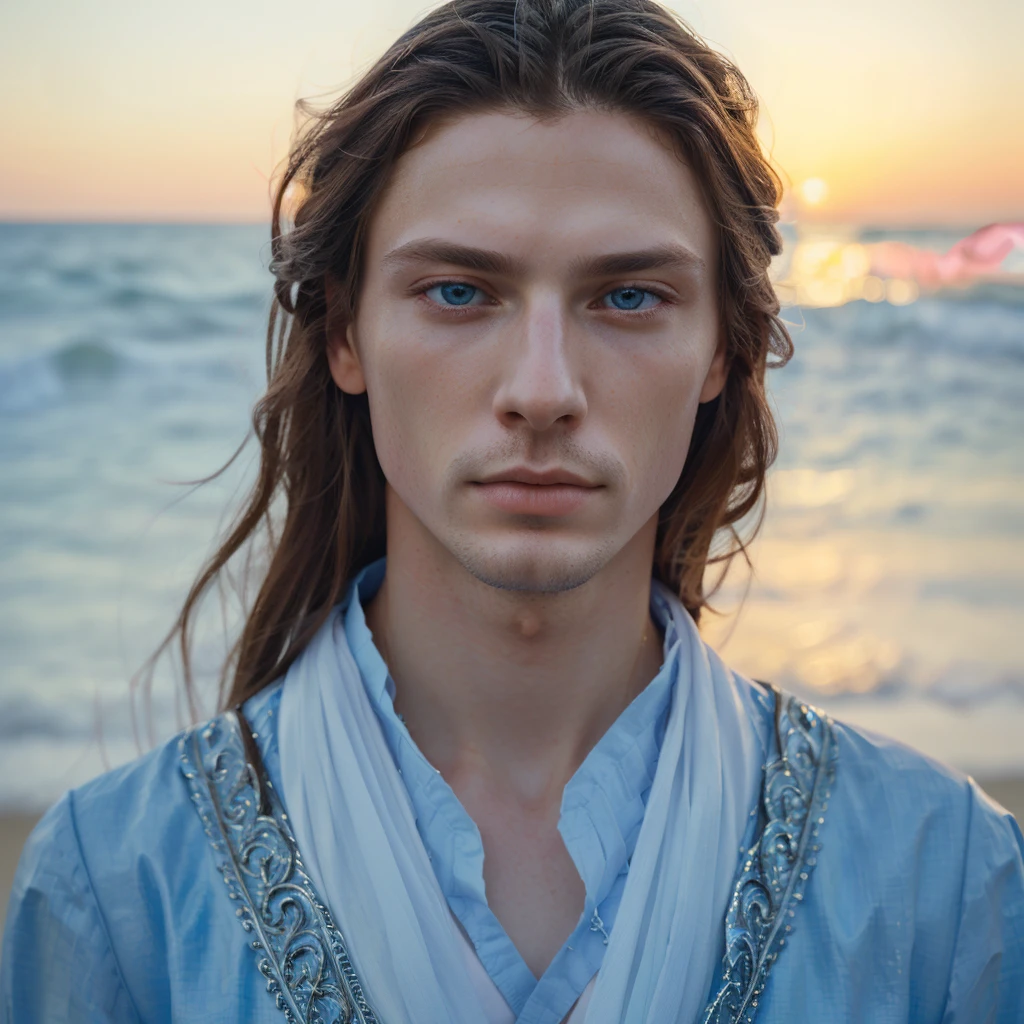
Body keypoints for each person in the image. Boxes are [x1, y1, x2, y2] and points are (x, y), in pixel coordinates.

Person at [3, 0, 1023, 1020]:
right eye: (457, 291)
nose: (542, 389)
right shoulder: (120, 891)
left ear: (722, 348)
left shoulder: (944, 881)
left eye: (627, 296)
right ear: (344, 334)